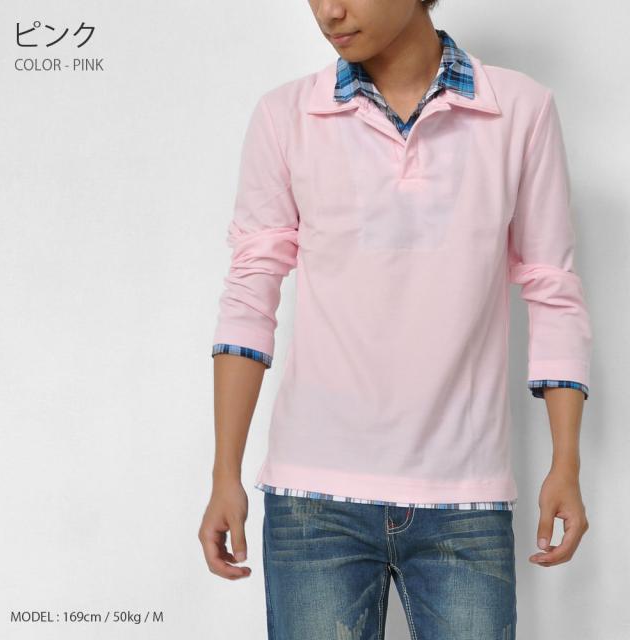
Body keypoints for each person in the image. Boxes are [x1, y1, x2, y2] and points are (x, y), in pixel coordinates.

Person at [200, 1, 592, 637]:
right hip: (312, 498)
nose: (329, 10)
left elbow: (552, 288)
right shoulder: (286, 115)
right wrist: (225, 473)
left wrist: (566, 463)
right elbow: (250, 291)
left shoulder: (519, 110)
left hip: (466, 498)